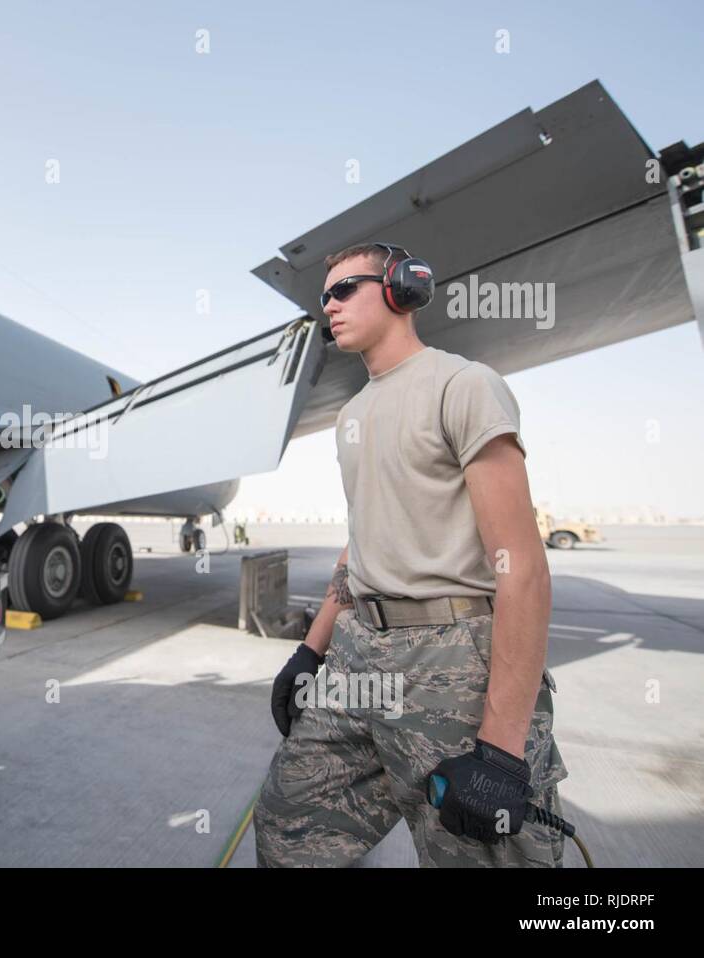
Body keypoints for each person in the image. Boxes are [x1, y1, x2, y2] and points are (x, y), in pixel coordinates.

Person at [253, 242, 567, 867]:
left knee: (478, 855)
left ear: (401, 287)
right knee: (288, 828)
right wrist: (310, 650)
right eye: (324, 297)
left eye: (345, 290)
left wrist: (502, 750)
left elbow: (523, 566)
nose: (329, 307)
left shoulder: (463, 385)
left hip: (453, 658)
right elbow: (360, 541)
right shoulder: (352, 414)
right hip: (359, 659)